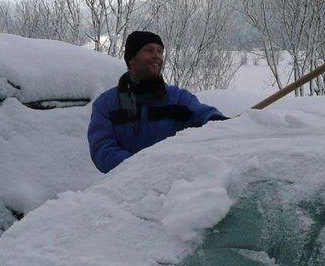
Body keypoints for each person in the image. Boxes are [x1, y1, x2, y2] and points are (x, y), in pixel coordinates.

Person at [88, 31, 226, 173]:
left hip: (172, 182)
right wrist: (140, 167)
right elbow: (102, 149)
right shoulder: (106, 104)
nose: (157, 56)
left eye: (160, 51)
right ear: (131, 59)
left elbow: (203, 114)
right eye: (149, 50)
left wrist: (223, 123)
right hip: (127, 184)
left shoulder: (178, 98)